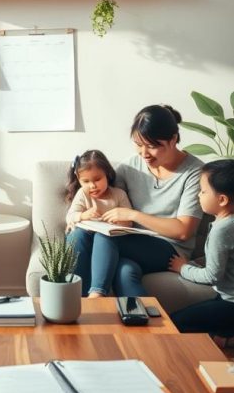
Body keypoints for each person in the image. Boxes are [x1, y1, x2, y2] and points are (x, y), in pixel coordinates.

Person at [66, 105, 204, 297]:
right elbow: (104, 194)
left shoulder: (194, 173)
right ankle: (80, 306)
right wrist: (77, 216)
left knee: (108, 236)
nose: (144, 153)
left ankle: (96, 297)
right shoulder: (131, 165)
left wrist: (132, 214)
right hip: (130, 244)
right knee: (121, 269)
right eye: (138, 144)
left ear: (173, 140)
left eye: (152, 146)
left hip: (169, 249)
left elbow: (183, 230)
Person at [169, 160, 234, 337]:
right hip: (227, 299)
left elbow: (211, 276)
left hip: (230, 303)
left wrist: (183, 268)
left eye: (203, 191)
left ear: (222, 199)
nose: (198, 195)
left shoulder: (222, 230)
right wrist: (198, 262)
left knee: (174, 323)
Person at [65, 150, 133, 297]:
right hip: (84, 241)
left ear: (107, 174)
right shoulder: (82, 194)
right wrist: (83, 215)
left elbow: (129, 222)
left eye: (97, 179)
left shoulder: (119, 194)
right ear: (79, 179)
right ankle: (76, 293)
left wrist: (120, 220)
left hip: (108, 243)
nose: (92, 186)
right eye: (86, 181)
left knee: (105, 236)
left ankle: (97, 293)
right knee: (76, 235)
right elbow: (70, 216)